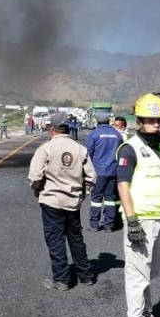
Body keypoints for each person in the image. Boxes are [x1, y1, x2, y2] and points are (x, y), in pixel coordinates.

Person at [116, 93, 160, 317]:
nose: (157, 124)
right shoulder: (129, 148)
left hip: (159, 218)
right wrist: (131, 221)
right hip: (140, 220)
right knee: (136, 275)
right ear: (140, 120)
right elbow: (123, 185)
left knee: (149, 273)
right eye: (151, 119)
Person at [28, 112, 97, 290]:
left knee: (55, 239)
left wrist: (37, 191)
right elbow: (91, 177)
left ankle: (61, 279)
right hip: (73, 202)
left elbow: (35, 176)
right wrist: (82, 194)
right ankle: (86, 276)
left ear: (52, 129)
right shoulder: (80, 149)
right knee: (76, 238)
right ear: (68, 128)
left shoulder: (46, 148)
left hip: (51, 201)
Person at [86, 113, 123, 232]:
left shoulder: (94, 134)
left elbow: (89, 153)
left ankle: (94, 224)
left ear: (98, 122)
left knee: (96, 198)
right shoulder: (117, 135)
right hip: (113, 171)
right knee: (110, 198)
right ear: (109, 122)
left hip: (98, 172)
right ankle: (109, 225)